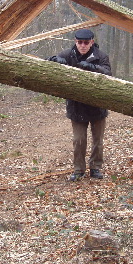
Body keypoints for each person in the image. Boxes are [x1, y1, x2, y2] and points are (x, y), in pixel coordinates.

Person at [48, 29, 112, 181]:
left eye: (86, 42)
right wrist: (54, 60)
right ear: (75, 41)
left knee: (98, 141)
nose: (82, 45)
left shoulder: (101, 56)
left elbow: (109, 74)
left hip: (98, 105)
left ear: (92, 42)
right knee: (79, 140)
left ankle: (95, 168)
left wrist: (93, 68)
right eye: (79, 42)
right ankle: (78, 170)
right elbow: (45, 63)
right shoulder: (67, 54)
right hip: (77, 107)